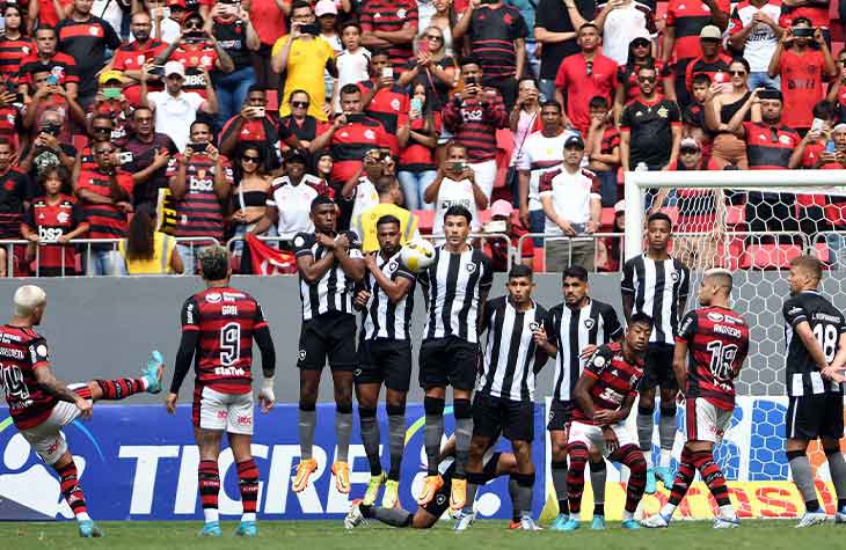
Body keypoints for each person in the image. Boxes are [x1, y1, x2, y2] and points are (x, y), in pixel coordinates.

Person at [0, 284, 164, 537]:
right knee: (96, 388)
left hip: (26, 423)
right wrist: (77, 399)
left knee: (66, 468)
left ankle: (84, 521)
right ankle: (148, 383)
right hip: (49, 409)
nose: (43, 312)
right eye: (42, 308)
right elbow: (44, 379)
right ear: (35, 310)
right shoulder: (33, 342)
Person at [166, 246, 276, 537]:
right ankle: (249, 521)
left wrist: (174, 388)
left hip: (211, 388)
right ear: (230, 270)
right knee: (244, 454)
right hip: (241, 387)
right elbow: (268, 347)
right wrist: (268, 385)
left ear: (201, 271)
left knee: (208, 452)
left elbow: (186, 350)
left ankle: (212, 523)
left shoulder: (195, 304)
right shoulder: (250, 302)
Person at [642, 269, 749, 529]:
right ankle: (665, 514)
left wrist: (684, 388)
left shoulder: (695, 318)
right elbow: (736, 368)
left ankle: (727, 512)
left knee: (700, 455)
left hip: (700, 394)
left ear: (715, 289)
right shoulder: (742, 325)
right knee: (690, 453)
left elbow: (678, 363)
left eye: (702, 285)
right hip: (725, 396)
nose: (699, 290)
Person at [416, 205, 493, 512]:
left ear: (469, 228)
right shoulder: (428, 259)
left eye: (460, 224)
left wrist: (473, 338)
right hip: (433, 339)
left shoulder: (482, 262)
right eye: (449, 224)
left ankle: (459, 476)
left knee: (463, 408)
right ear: (443, 227)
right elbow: (427, 297)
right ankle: (433, 474)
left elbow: (482, 303)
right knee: (432, 407)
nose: (454, 230)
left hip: (465, 341)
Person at [458, 264, 547, 530]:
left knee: (522, 452)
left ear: (532, 286)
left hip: (521, 395)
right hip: (488, 392)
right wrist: (477, 359)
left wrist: (530, 370)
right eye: (514, 284)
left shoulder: (542, 316)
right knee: (477, 448)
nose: (518, 290)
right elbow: (472, 336)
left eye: (523, 285)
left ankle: (527, 516)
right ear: (507, 286)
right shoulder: (495, 308)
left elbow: (546, 351)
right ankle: (466, 511)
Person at [534, 265, 622, 529]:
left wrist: (603, 348)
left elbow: (623, 346)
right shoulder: (554, 315)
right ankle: (564, 513)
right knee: (559, 450)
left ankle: (598, 514)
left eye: (575, 285)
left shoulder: (604, 312)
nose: (570, 290)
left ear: (586, 286)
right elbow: (557, 351)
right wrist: (544, 344)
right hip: (562, 394)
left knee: (594, 453)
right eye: (566, 285)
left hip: (592, 397)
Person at [291, 196, 365, 495]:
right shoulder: (303, 238)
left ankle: (342, 461)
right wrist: (337, 250)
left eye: (332, 213)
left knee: (345, 393)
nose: (329, 218)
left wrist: (336, 246)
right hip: (313, 326)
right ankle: (306, 459)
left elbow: (358, 273)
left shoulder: (350, 239)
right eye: (322, 214)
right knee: (307, 390)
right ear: (312, 216)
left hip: (344, 324)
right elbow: (310, 273)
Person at [559, 313, 653, 531]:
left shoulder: (640, 367)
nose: (641, 337)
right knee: (579, 460)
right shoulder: (606, 353)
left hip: (611, 425)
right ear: (627, 331)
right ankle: (574, 518)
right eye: (637, 331)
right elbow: (580, 392)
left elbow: (627, 409)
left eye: (646, 334)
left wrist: (615, 417)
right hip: (582, 421)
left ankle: (628, 518)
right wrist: (605, 425)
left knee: (639, 464)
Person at [621, 211, 690, 495]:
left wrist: (675, 335)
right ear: (646, 233)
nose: (658, 234)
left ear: (669, 234)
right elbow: (627, 298)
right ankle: (647, 465)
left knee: (670, 401)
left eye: (663, 230)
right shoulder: (634, 265)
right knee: (647, 400)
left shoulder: (680, 269)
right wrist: (635, 332)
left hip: (670, 343)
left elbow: (682, 302)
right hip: (646, 345)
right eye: (654, 230)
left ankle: (665, 464)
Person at [351, 214, 417, 509]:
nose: (388, 238)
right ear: (376, 236)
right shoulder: (370, 260)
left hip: (397, 345)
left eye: (392, 234)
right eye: (383, 234)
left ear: (399, 235)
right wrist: (359, 300)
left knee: (395, 411)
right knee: (365, 408)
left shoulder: (409, 259)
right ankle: (375, 473)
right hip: (368, 344)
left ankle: (394, 478)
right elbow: (361, 297)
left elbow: (395, 293)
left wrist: (373, 267)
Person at [776, 256, 846, 527]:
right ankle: (843, 508)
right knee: (832, 446)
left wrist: (823, 365)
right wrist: (833, 369)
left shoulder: (794, 304)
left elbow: (806, 336)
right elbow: (844, 347)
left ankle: (813, 508)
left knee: (795, 447)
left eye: (792, 273)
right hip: (833, 386)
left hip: (804, 384)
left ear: (807, 278)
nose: (788, 278)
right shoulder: (834, 311)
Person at [345, 437, 521, 529]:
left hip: (482, 463)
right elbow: (454, 442)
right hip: (456, 468)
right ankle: (364, 509)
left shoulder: (506, 403)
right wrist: (434, 470)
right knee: (419, 523)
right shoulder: (484, 406)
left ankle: (517, 521)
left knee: (518, 465)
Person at [166, 120, 233, 273]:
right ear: (190, 137)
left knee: (214, 282)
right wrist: (183, 164)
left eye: (204, 133)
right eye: (196, 133)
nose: (200, 137)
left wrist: (216, 164)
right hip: (184, 237)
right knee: (182, 287)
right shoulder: (177, 159)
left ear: (210, 136)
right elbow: (177, 193)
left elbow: (223, 194)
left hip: (212, 236)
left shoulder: (223, 160)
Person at [442, 56, 508, 201]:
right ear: (462, 75)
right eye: (467, 73)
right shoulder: (457, 96)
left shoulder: (492, 94)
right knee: (459, 203)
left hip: (486, 160)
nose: (470, 76)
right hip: (461, 161)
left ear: (481, 73)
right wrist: (458, 102)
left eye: (473, 72)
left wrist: (486, 104)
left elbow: (502, 121)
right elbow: (448, 124)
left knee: (483, 203)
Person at [539, 134, 602, 271]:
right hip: (556, 237)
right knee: (555, 284)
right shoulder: (548, 175)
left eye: (577, 149)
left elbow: (595, 202)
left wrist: (595, 221)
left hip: (584, 238)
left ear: (583, 153)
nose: (573, 152)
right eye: (569, 149)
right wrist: (560, 222)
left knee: (585, 282)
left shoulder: (591, 177)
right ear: (563, 152)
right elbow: (546, 203)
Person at [453, 0, 527, 109]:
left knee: (508, 113)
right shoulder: (474, 12)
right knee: (481, 111)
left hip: (507, 76)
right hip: (482, 77)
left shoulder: (513, 12)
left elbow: (520, 46)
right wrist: (471, 7)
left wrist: (517, 76)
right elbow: (457, 34)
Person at [271, 1, 337, 122]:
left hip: (318, 111)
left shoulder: (323, 44)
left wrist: (332, 103)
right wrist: (291, 38)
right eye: (299, 17)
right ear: (292, 20)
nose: (304, 20)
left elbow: (337, 77)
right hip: (290, 109)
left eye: (306, 16)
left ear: (312, 18)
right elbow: (277, 68)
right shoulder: (283, 42)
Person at [76, 140, 134, 276]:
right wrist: (112, 203)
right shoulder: (86, 173)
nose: (106, 155)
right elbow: (84, 194)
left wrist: (111, 173)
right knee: (91, 289)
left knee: (117, 287)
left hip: (114, 242)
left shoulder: (125, 176)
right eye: (102, 152)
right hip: (90, 243)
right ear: (95, 157)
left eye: (110, 151)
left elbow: (119, 195)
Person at [768, 17, 836, 134]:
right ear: (792, 31)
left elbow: (832, 73)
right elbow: (771, 73)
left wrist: (822, 43)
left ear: (810, 33)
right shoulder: (784, 55)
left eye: (806, 31)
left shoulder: (818, 54)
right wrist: (782, 43)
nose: (801, 35)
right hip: (789, 118)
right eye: (798, 31)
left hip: (814, 118)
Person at [518, 101, 575, 237]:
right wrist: (523, 206)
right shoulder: (530, 141)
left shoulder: (572, 139)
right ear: (540, 116)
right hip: (537, 205)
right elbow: (523, 175)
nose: (550, 117)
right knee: (540, 252)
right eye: (546, 114)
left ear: (561, 116)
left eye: (554, 114)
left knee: (564, 251)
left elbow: (582, 174)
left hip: (566, 205)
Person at [22, 166, 89, 277]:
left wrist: (69, 236)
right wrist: (29, 236)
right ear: (43, 182)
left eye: (57, 180)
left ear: (62, 182)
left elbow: (85, 225)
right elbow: (25, 225)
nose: (53, 183)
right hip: (42, 263)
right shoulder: (36, 204)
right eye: (49, 180)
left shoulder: (72, 203)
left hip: (66, 262)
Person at [153, 11, 236, 101]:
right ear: (182, 28)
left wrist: (216, 45)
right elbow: (156, 65)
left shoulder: (210, 49)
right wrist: (174, 45)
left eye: (198, 25)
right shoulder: (174, 49)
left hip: (206, 103)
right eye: (189, 25)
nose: (194, 28)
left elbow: (229, 68)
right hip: (180, 102)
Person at [662, 0, 730, 106]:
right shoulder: (674, 2)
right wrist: (663, 61)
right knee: (686, 104)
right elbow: (669, 35)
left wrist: (712, 5)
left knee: (716, 104)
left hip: (711, 63)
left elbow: (723, 25)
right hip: (683, 64)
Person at [554, 23, 618, 135]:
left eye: (591, 34)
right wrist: (563, 116)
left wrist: (611, 113)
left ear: (599, 39)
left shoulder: (611, 64)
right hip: (574, 126)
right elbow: (558, 90)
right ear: (578, 40)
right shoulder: (567, 62)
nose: (587, 38)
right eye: (583, 35)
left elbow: (619, 93)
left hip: (602, 126)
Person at [54, 0, 121, 108]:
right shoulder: (61, 26)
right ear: (74, 1)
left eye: (89, 0)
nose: (85, 3)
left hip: (94, 88)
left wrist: (110, 66)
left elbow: (119, 49)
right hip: (67, 89)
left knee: (96, 121)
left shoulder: (102, 25)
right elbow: (54, 56)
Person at [141, 61, 219, 152]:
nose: (175, 82)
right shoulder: (155, 97)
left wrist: (208, 84)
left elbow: (212, 109)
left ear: (183, 80)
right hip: (163, 149)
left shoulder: (192, 97)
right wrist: (143, 82)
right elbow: (145, 110)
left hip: (188, 149)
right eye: (171, 78)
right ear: (164, 79)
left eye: (178, 78)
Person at [255, 149, 325, 245]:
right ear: (285, 165)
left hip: (310, 240)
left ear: (305, 165)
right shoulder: (276, 185)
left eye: (299, 162)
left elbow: (328, 215)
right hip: (284, 241)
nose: (295, 165)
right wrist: (251, 234)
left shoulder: (317, 184)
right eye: (291, 162)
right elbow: (268, 218)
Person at [620, 65, 682, 172]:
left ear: (656, 80)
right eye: (642, 79)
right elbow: (624, 142)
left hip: (664, 165)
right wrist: (626, 171)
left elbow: (677, 136)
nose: (646, 82)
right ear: (637, 81)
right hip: (637, 166)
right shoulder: (629, 109)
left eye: (650, 79)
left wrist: (671, 163)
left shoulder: (670, 106)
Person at [208, 0, 261, 125]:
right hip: (220, 77)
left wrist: (247, 23)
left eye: (229, 4)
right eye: (222, 4)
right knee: (222, 119)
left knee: (243, 115)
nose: (225, 8)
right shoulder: (213, 22)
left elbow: (254, 46)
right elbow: (203, 41)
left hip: (243, 75)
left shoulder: (241, 21)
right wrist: (210, 18)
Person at [424, 142, 488, 237]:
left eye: (460, 157)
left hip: (470, 236)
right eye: (453, 157)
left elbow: (484, 205)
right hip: (442, 236)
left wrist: (473, 183)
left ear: (466, 160)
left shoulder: (473, 177)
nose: (457, 161)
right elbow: (427, 199)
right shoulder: (441, 178)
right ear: (447, 159)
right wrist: (439, 178)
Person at [534, 0, 592, 103]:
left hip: (578, 68)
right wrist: (574, 34)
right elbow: (539, 35)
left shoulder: (587, 2)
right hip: (550, 69)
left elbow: (585, 31)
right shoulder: (545, 3)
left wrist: (570, 4)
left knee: (576, 110)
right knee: (548, 112)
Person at [108, 11, 170, 107]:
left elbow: (157, 76)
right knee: (104, 92)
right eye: (137, 25)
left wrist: (127, 72)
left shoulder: (162, 47)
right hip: (127, 106)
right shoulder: (123, 50)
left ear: (151, 27)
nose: (141, 28)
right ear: (131, 27)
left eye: (145, 25)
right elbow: (116, 81)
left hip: (158, 106)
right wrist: (145, 77)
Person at [704, 57, 756, 169]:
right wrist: (708, 101)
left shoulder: (753, 98)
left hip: (745, 150)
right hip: (720, 150)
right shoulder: (720, 98)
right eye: (732, 73)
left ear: (748, 74)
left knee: (745, 186)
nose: (736, 76)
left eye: (740, 73)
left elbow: (755, 127)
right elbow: (714, 126)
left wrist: (725, 126)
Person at [123, 106, 178, 209]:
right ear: (133, 124)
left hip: (168, 198)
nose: (145, 123)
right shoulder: (127, 148)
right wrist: (155, 166)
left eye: (148, 119)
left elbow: (178, 163)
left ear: (153, 122)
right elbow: (130, 180)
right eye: (140, 120)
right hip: (143, 202)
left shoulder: (165, 140)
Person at [613, 36, 675, 124]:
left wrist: (674, 121)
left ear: (650, 46)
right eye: (636, 44)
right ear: (631, 47)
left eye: (644, 44)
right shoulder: (624, 70)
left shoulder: (661, 66)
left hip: (659, 113)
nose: (640, 47)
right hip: (633, 114)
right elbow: (619, 102)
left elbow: (671, 97)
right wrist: (618, 126)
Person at [397, 83, 439, 211]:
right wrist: (409, 121)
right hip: (406, 169)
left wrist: (412, 133)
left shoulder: (433, 115)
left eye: (422, 94)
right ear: (410, 97)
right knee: (413, 209)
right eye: (416, 94)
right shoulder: (403, 116)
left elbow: (433, 142)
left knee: (428, 208)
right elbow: (401, 142)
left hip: (428, 169)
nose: (419, 97)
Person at [229, 144, 272, 267]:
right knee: (243, 269)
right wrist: (234, 217)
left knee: (266, 268)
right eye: (246, 158)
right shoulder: (235, 185)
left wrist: (259, 214)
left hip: (265, 231)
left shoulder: (268, 181)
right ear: (240, 159)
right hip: (242, 231)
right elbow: (226, 217)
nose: (250, 162)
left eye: (255, 160)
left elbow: (278, 209)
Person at [397, 26, 456, 114]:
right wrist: (417, 69)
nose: (434, 39)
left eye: (438, 38)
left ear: (442, 43)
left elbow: (451, 81)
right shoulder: (412, 61)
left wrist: (431, 66)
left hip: (439, 107)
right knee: (417, 126)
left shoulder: (446, 60)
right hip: (417, 107)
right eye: (430, 37)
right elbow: (401, 83)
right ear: (423, 38)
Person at [353, 175, 420, 253]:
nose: (400, 192)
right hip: (398, 262)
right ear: (394, 191)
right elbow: (416, 245)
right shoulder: (408, 216)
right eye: (399, 189)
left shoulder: (361, 218)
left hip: (370, 261)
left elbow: (355, 247)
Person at [727, 0, 783, 90]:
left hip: (774, 68)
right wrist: (750, 26)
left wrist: (771, 22)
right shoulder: (739, 8)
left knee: (777, 102)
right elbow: (733, 40)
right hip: (750, 68)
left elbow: (788, 35)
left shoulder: (779, 5)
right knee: (748, 102)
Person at [18, 26, 79, 101]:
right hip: (35, 106)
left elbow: (72, 93)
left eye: (51, 39)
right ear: (34, 41)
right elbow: (22, 92)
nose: (47, 42)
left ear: (56, 40)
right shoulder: (26, 62)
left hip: (61, 106)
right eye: (42, 39)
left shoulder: (68, 60)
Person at [119, 205, 184, 275]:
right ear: (154, 220)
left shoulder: (124, 243)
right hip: (162, 283)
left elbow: (126, 267)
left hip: (135, 284)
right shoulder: (167, 239)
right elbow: (179, 269)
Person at [359, 0, 419, 74]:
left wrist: (379, 33)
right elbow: (364, 39)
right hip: (379, 66)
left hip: (404, 67)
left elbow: (409, 36)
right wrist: (399, 39)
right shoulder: (370, 5)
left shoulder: (409, 3)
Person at [585, 95, 621, 207]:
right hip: (589, 174)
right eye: (593, 112)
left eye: (601, 112)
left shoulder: (612, 132)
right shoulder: (587, 132)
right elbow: (586, 153)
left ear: (607, 113)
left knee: (609, 205)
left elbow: (616, 158)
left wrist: (595, 156)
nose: (597, 116)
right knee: (587, 207)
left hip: (607, 175)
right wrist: (592, 129)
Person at [594, 1, 654, 66]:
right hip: (610, 62)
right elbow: (594, 32)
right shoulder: (601, 8)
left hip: (637, 65)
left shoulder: (644, 9)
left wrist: (652, 64)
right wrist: (606, 10)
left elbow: (653, 39)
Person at [333, 21, 371, 113]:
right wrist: (333, 104)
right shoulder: (338, 57)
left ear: (360, 37)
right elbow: (336, 82)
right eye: (347, 34)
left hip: (360, 103)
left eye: (355, 34)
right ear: (342, 38)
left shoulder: (367, 55)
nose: (351, 37)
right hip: (340, 105)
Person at [485, 200, 534, 272]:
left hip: (516, 275)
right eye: (496, 218)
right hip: (494, 275)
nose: (499, 221)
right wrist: (480, 235)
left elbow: (527, 268)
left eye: (503, 218)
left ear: (511, 217)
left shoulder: (523, 236)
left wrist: (514, 257)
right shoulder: (489, 235)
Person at [684, 26, 732, 94]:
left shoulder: (729, 63)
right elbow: (690, 89)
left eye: (713, 41)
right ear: (700, 42)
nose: (709, 44)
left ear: (719, 43)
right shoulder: (692, 66)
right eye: (706, 41)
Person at [0, 5, 35, 84]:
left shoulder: (30, 42)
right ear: (3, 19)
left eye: (16, 15)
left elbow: (35, 66)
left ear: (21, 18)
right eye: (9, 15)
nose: (13, 18)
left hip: (26, 86)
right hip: (3, 89)